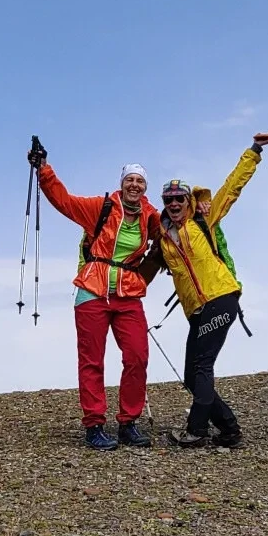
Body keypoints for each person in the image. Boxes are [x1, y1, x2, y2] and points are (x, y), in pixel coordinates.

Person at [28, 141, 162, 451]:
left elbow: (172, 230)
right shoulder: (100, 208)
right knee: (92, 361)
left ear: (145, 188)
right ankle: (95, 426)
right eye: (130, 179)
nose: (134, 184)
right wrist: (44, 169)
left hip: (127, 294)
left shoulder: (150, 216)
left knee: (137, 355)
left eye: (140, 181)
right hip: (91, 291)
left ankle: (128, 422)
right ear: (121, 183)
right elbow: (64, 201)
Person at [147, 132, 268, 448]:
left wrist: (253, 151)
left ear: (188, 201)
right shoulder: (163, 239)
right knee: (192, 375)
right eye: (168, 200)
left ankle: (197, 431)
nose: (174, 203)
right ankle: (229, 431)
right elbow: (143, 271)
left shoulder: (203, 220)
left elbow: (232, 187)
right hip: (198, 312)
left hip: (221, 299)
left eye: (179, 199)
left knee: (201, 367)